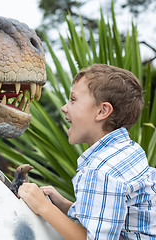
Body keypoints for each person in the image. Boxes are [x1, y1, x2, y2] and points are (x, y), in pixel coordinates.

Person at [18, 64, 156, 240]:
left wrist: (43, 206)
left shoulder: (100, 171)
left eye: (73, 100)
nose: (64, 107)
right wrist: (63, 205)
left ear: (102, 111)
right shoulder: (129, 150)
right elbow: (108, 219)